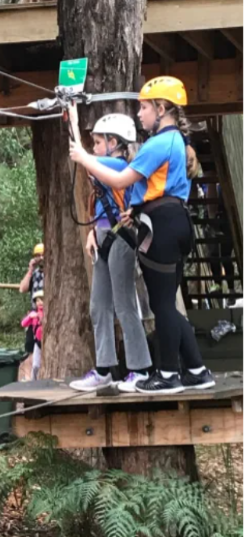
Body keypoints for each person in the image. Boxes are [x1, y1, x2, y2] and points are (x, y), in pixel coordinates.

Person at [69, 76, 215, 394]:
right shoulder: (175, 142)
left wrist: (82, 157)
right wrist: (135, 210)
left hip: (161, 225)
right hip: (171, 219)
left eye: (144, 107)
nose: (140, 114)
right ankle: (197, 369)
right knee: (167, 304)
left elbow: (121, 180)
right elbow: (156, 188)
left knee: (161, 304)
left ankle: (167, 374)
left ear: (162, 108)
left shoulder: (160, 143)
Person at [69, 114, 153, 393]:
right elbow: (99, 197)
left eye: (97, 142)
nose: (93, 148)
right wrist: (94, 229)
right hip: (104, 235)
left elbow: (90, 164)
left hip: (120, 238)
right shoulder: (103, 165)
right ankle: (104, 368)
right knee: (99, 305)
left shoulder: (118, 165)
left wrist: (79, 145)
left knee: (124, 304)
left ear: (113, 142)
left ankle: (140, 369)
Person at [19, 243, 44, 354]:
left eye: (42, 255)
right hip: (34, 315)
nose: (40, 258)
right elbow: (22, 289)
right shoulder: (34, 274)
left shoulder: (53, 273)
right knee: (30, 345)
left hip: (46, 314)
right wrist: (30, 270)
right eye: (37, 255)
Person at [21, 291, 44, 381]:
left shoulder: (48, 313)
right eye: (37, 300)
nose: (40, 302)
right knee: (35, 366)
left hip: (47, 343)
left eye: (42, 300)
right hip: (38, 343)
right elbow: (23, 324)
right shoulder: (34, 314)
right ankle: (33, 382)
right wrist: (30, 317)